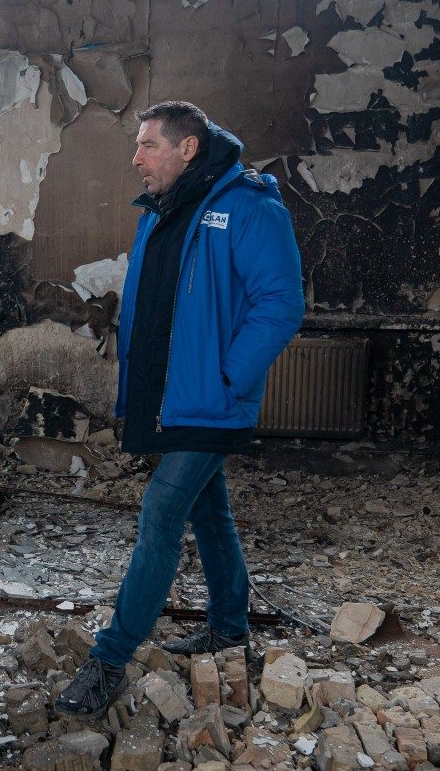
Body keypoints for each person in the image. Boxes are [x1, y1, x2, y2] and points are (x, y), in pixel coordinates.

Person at [56, 102, 304, 718]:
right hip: (173, 397)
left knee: (162, 512)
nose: (135, 159)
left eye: (147, 146)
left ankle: (109, 660)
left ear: (186, 148)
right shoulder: (162, 211)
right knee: (210, 514)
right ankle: (229, 627)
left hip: (210, 398)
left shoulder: (248, 205)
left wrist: (228, 377)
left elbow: (281, 303)